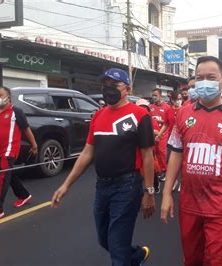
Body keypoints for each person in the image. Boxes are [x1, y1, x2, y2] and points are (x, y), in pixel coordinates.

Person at [51, 68, 155, 266]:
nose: (108, 90)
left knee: (117, 247)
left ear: (127, 88)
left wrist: (148, 192)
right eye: (105, 85)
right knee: (104, 239)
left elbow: (147, 156)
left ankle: (129, 258)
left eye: (114, 85)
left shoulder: (140, 115)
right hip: (102, 187)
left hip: (127, 186)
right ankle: (137, 255)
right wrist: (66, 185)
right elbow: (87, 153)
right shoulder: (98, 116)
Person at [161, 56, 222, 265]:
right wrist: (167, 193)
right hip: (189, 203)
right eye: (199, 77)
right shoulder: (184, 113)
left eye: (210, 77)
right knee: (192, 259)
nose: (204, 82)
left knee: (218, 261)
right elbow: (176, 153)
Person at [0, 86, 38, 222]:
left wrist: (34, 145)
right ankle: (24, 195)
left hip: (9, 150)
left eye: (0, 94)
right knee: (8, 174)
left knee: (2, 177)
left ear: (8, 97)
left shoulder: (16, 112)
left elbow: (26, 130)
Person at [136, 99, 162, 194]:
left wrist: (145, 130)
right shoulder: (132, 119)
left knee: (152, 168)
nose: (143, 110)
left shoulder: (151, 120)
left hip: (149, 149)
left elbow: (157, 132)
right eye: (140, 108)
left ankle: (155, 184)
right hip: (136, 149)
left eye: (144, 108)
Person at [150, 88, 171, 181]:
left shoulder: (167, 107)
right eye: (153, 95)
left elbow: (168, 122)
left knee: (162, 152)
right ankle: (158, 170)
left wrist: (161, 133)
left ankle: (165, 170)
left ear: (160, 96)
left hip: (163, 134)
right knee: (155, 152)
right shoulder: (150, 107)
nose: (154, 97)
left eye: (156, 95)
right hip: (153, 134)